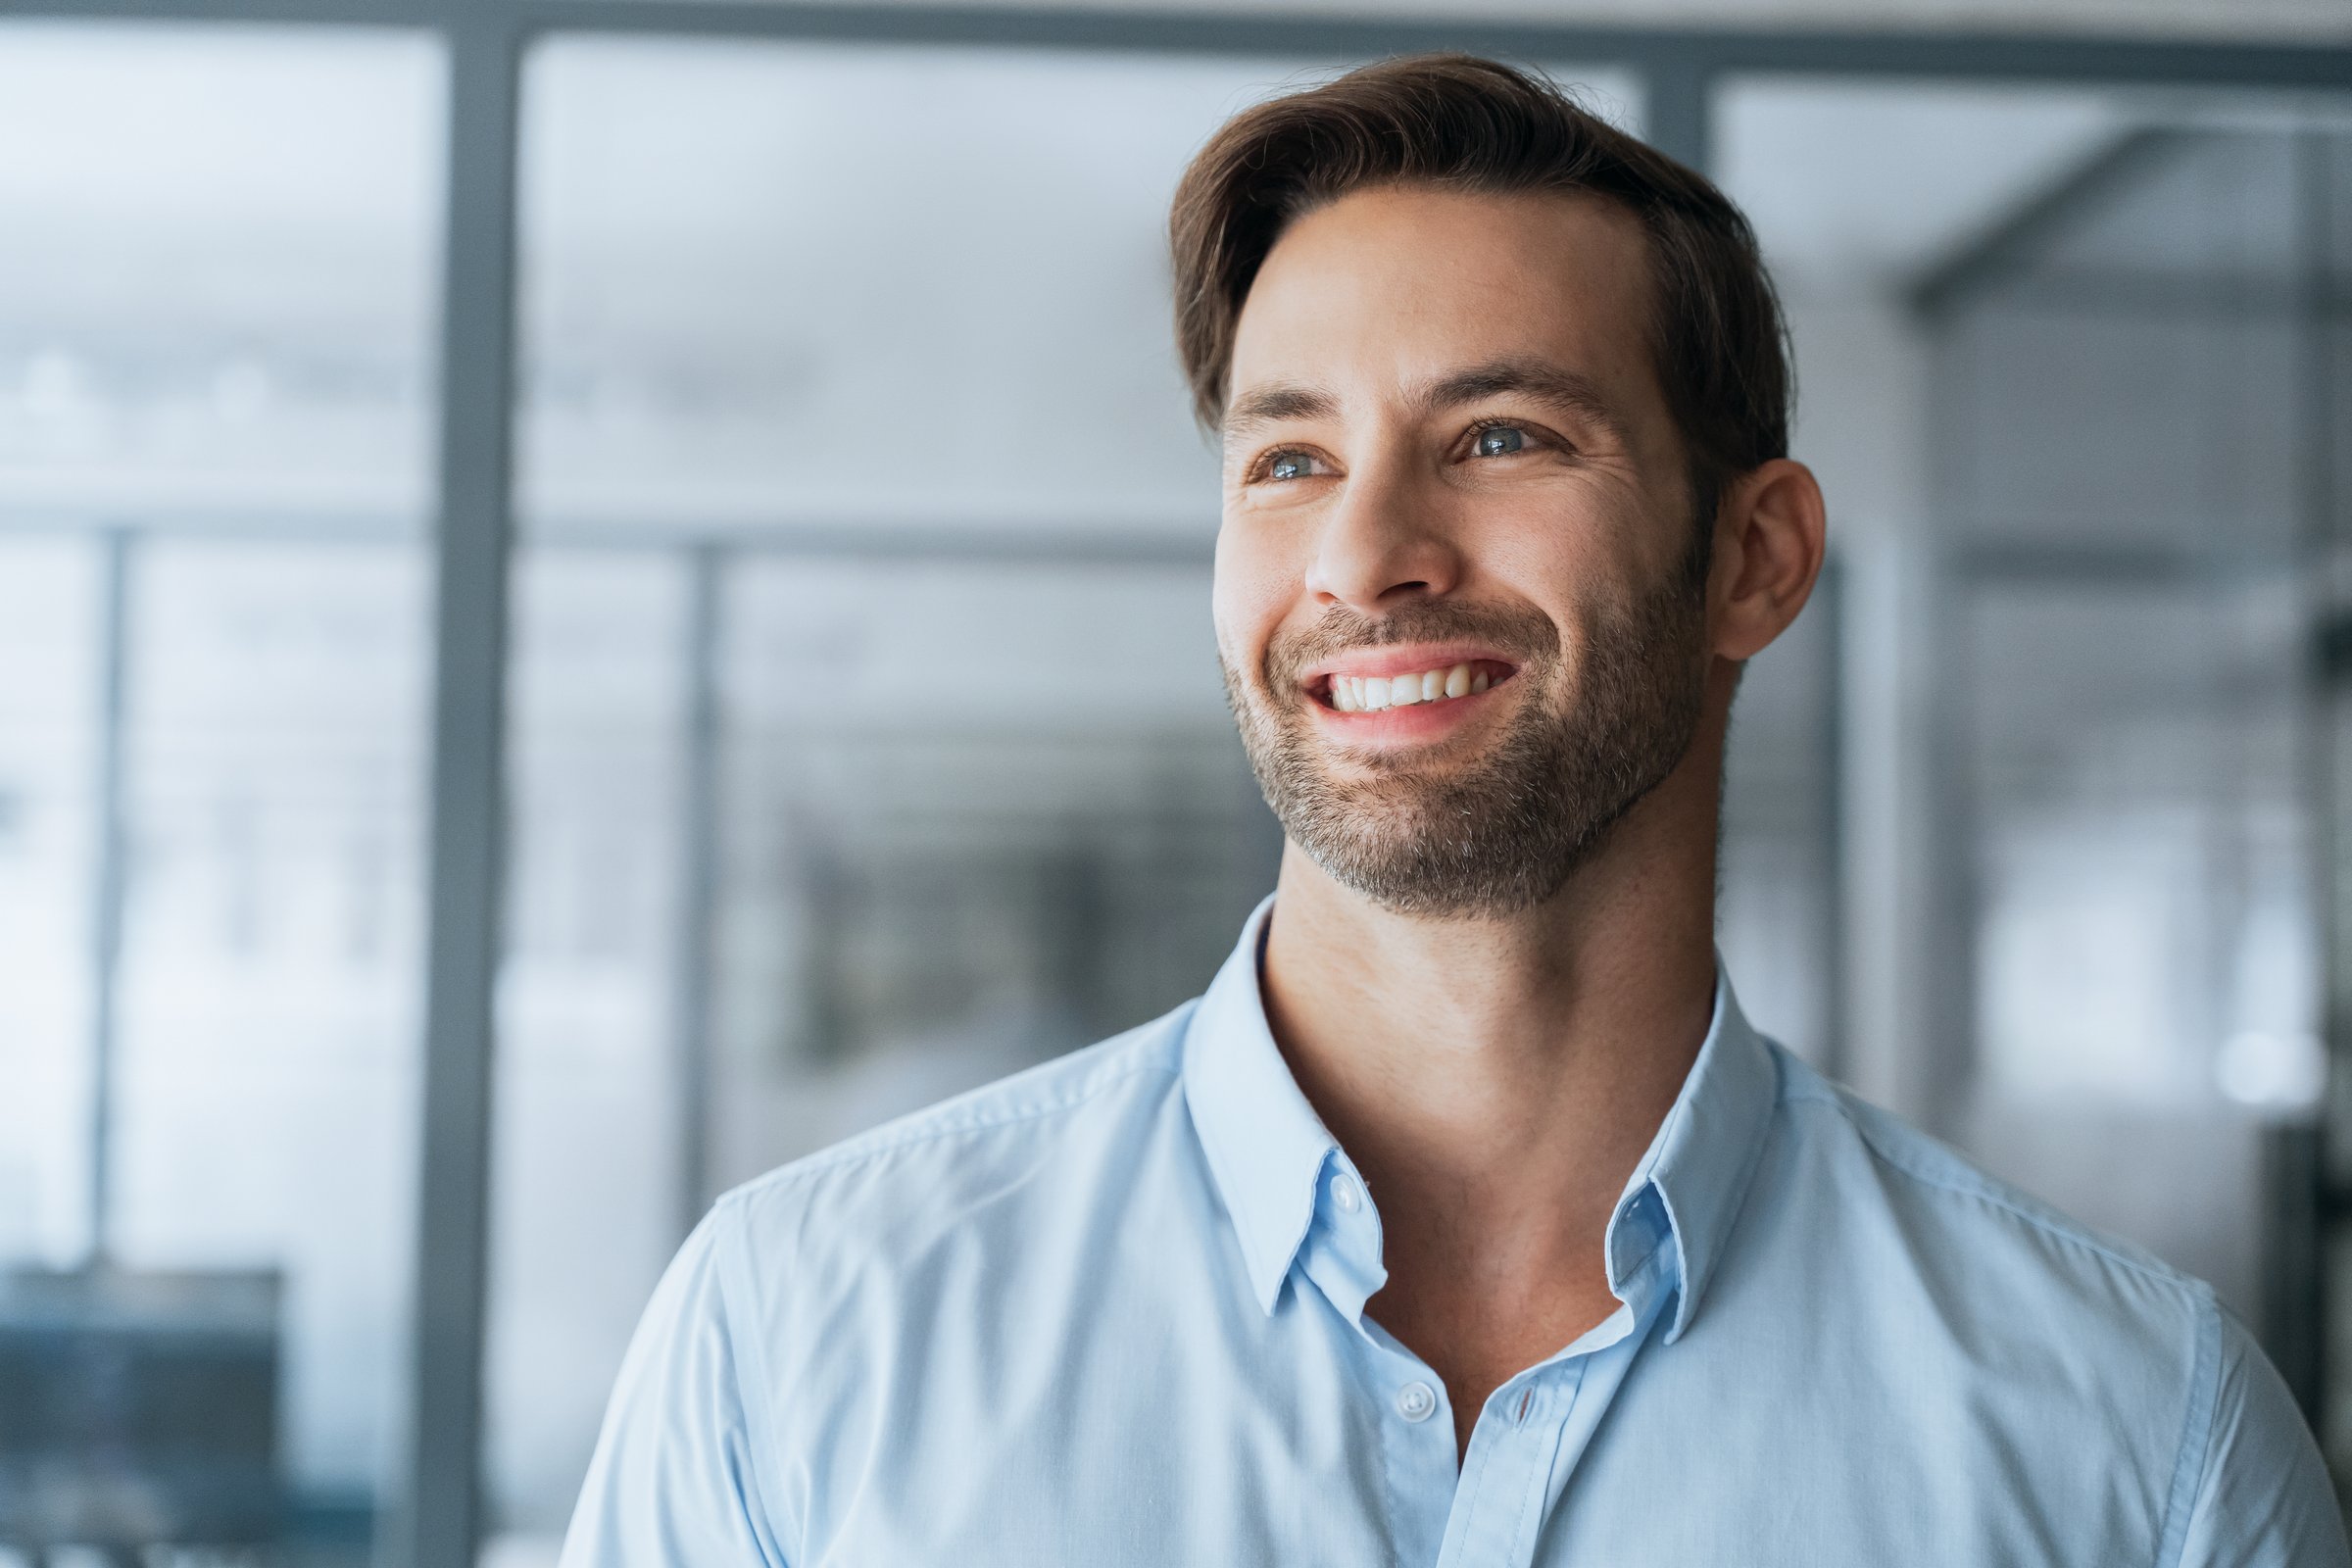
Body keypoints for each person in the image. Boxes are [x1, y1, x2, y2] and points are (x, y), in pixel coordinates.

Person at [559, 55, 2349, 1566]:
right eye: (1289, 460)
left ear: (1755, 557)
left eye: (1500, 436)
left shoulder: (2135, 1441)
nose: (1364, 557)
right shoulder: (802, 1340)